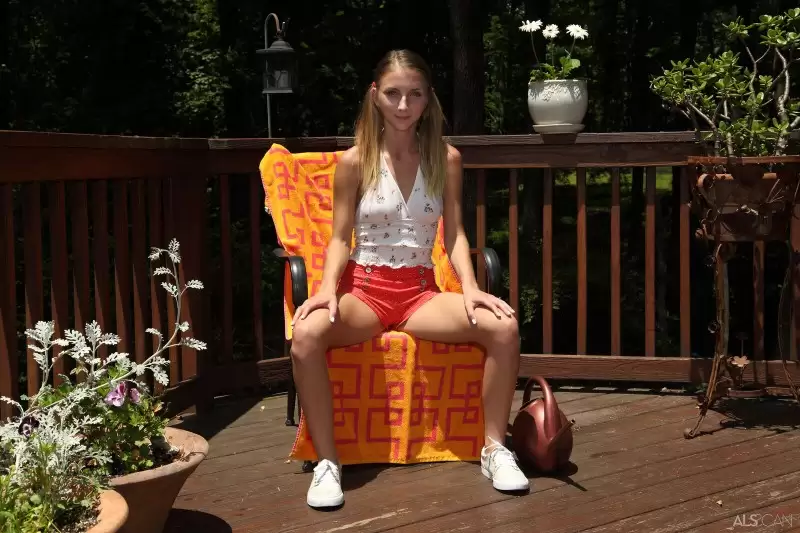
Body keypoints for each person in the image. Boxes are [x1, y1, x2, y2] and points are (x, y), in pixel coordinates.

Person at [289, 49, 529, 509]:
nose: (404, 105)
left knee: (504, 327)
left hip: (420, 293)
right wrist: (325, 290)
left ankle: (495, 449)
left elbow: (455, 235)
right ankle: (328, 461)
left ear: (428, 98)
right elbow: (339, 237)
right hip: (364, 290)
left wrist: (472, 288)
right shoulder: (355, 162)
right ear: (375, 96)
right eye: (393, 94)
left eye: (415, 94)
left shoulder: (446, 158)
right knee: (305, 335)